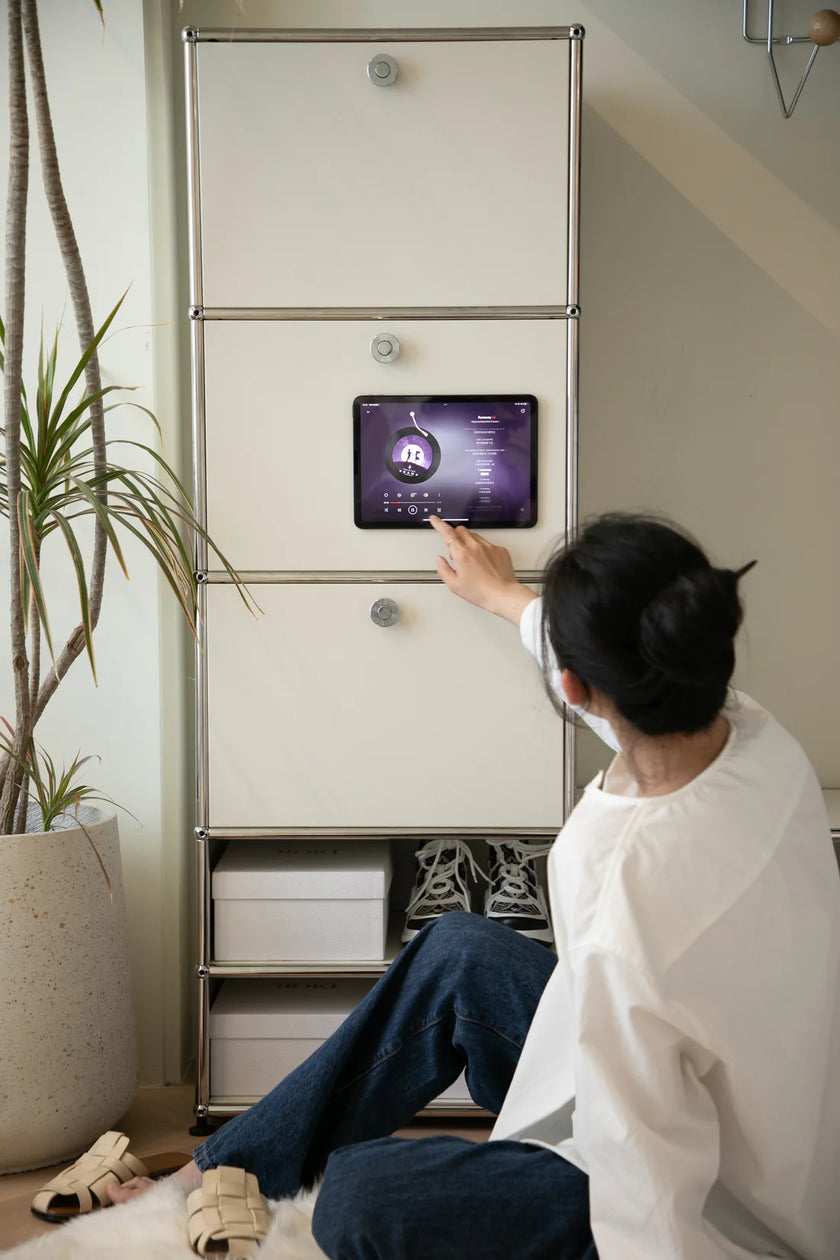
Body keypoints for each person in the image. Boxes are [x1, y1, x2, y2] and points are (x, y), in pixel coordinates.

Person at [109, 511, 840, 1260]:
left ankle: (276, 1178)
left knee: (363, 1193)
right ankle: (220, 1166)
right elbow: (625, 691)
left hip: (707, 1204)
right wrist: (507, 598)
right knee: (459, 947)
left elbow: (645, 1173)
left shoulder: (628, 886)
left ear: (576, 686)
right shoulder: (755, 737)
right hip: (756, 1105)